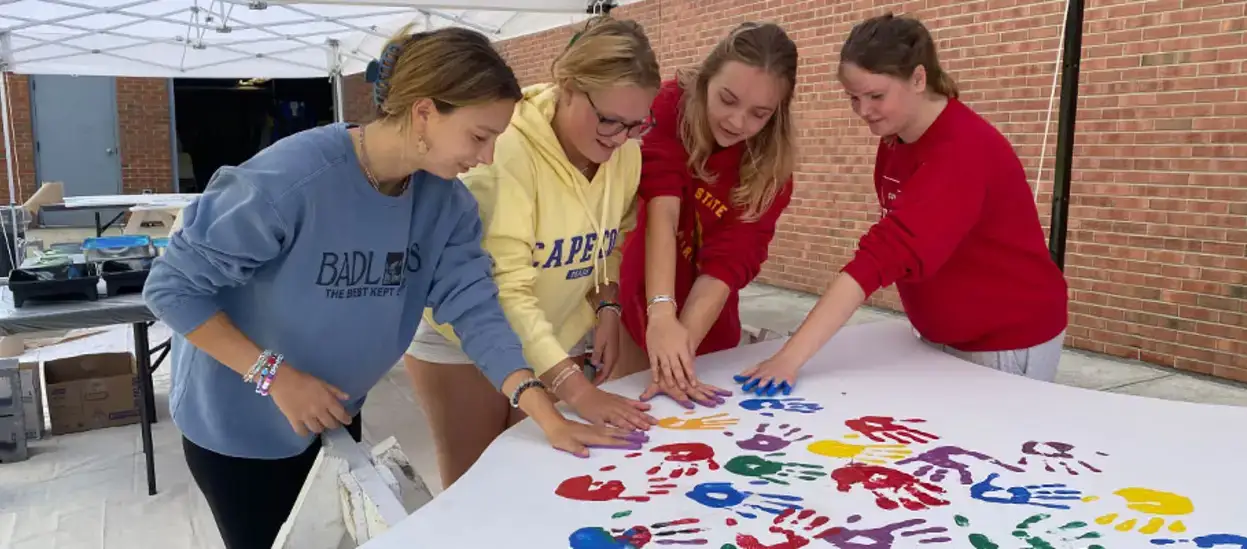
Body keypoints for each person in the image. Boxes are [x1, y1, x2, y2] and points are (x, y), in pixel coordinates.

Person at [143, 27, 640, 549]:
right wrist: (275, 376)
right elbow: (171, 288)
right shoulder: (290, 180)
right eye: (479, 136)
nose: (489, 157)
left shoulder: (446, 203)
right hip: (239, 425)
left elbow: (476, 310)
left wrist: (545, 411)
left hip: (331, 414)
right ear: (424, 112)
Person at [737, 13, 1069, 394]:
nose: (864, 110)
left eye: (876, 96)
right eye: (854, 98)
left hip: (1003, 339)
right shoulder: (896, 138)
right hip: (942, 334)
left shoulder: (961, 151)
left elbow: (881, 257)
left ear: (918, 78)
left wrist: (789, 358)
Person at [402, 15, 664, 489]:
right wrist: (576, 390)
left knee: (538, 482)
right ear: (569, 86)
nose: (618, 138)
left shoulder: (626, 152)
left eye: (635, 124)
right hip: (467, 342)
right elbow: (505, 291)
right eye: (608, 119)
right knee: (475, 488)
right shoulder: (503, 152)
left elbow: (616, 234)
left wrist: (606, 304)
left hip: (554, 336)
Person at [612, 22, 799, 407]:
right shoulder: (668, 106)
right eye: (727, 100)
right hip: (638, 301)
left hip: (710, 326)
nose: (737, 122)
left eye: (759, 114)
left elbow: (727, 263)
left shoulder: (772, 171)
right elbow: (662, 209)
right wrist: (661, 313)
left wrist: (679, 353)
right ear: (706, 78)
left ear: (777, 114)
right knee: (628, 406)